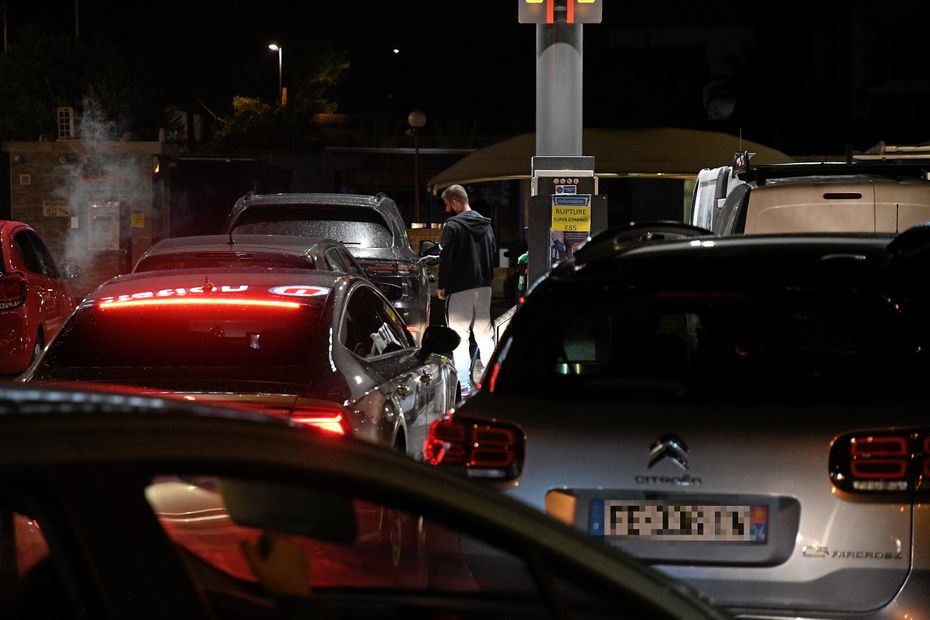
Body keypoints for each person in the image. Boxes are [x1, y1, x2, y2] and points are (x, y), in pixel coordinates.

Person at [438, 185, 496, 397]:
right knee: (484, 337)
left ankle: (463, 384)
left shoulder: (452, 226)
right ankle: (492, 381)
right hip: (484, 288)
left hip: (460, 288)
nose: (446, 210)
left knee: (459, 338)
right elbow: (493, 253)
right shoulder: (486, 225)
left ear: (454, 202)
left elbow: (446, 258)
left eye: (447, 204)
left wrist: (442, 285)